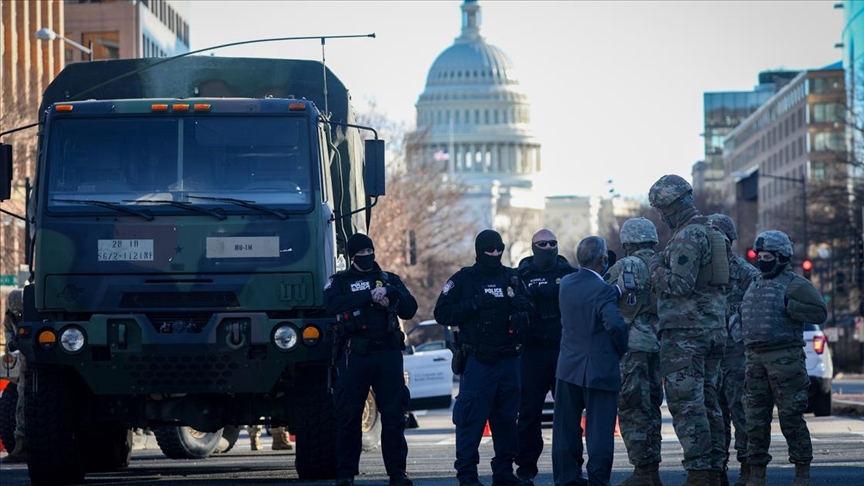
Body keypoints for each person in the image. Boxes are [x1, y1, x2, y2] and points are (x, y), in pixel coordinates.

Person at [647, 174, 730, 486]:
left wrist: (655, 267)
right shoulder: (713, 231)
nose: (660, 216)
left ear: (671, 207)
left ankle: (699, 474)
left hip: (686, 334)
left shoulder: (687, 237)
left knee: (687, 405)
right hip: (712, 329)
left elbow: (679, 284)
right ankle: (714, 470)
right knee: (710, 403)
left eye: (660, 210)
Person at [434, 229, 533, 486]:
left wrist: (523, 306)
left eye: (499, 249)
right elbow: (442, 313)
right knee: (470, 420)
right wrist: (473, 304)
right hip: (479, 361)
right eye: (490, 250)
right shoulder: (464, 280)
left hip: (509, 360)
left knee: (507, 420)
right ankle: (467, 475)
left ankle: (503, 472)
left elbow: (530, 310)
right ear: (480, 250)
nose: (496, 254)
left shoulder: (511, 277)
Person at [324, 233, 418, 486]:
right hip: (355, 354)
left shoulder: (389, 279)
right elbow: (331, 304)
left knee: (394, 414)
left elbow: (410, 308)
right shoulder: (339, 281)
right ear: (352, 256)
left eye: (370, 251)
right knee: (349, 415)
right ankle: (345, 473)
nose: (367, 257)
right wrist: (368, 296)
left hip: (387, 353)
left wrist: (390, 292)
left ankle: (397, 473)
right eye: (361, 253)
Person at [739, 230, 827, 486]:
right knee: (754, 420)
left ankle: (802, 473)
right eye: (759, 255)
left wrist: (792, 307)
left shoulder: (796, 284)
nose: (761, 260)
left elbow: (820, 312)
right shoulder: (755, 283)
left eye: (767, 256)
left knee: (791, 418)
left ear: (780, 257)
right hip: (754, 359)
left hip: (785, 360)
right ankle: (757, 475)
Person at [552, 236, 628, 486]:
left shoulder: (566, 284)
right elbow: (615, 324)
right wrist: (620, 350)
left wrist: (614, 292)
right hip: (600, 369)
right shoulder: (603, 291)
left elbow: (587, 297)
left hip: (568, 367)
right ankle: (597, 479)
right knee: (599, 433)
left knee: (565, 430)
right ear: (603, 260)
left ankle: (567, 478)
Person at [603, 218, 663, 486]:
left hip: (632, 347)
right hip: (659, 346)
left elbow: (602, 297)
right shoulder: (664, 264)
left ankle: (643, 471)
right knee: (652, 408)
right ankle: (652, 470)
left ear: (627, 242)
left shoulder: (625, 266)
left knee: (632, 408)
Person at [514, 229, 576, 485]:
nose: (548, 247)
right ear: (533, 247)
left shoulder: (569, 274)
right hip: (532, 353)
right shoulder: (521, 276)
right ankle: (526, 468)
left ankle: (571, 467)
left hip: (564, 350)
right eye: (543, 244)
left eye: (553, 243)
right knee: (529, 414)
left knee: (569, 413)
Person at [709, 214, 760, 486]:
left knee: (741, 413)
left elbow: (756, 314)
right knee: (713, 415)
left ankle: (748, 469)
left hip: (737, 356)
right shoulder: (701, 273)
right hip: (711, 356)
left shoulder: (745, 273)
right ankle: (717, 470)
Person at [1, 289, 26, 463]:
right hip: (24, 355)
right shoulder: (10, 314)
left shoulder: (34, 308)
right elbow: (8, 329)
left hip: (38, 354)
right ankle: (21, 443)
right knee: (21, 395)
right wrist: (11, 343)